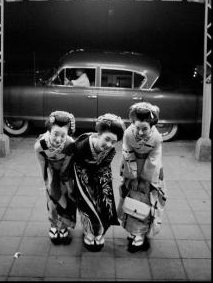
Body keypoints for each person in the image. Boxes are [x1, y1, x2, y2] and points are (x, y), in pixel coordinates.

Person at [64, 113, 126, 252]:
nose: (109, 145)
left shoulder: (109, 151)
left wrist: (102, 184)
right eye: (107, 139)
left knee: (105, 203)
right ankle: (89, 232)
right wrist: (69, 184)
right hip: (81, 174)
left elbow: (105, 167)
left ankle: (100, 231)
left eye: (113, 142)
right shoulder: (81, 146)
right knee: (86, 205)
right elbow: (69, 162)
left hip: (100, 174)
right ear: (99, 134)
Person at [117, 102, 167, 252]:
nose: (139, 132)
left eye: (144, 128)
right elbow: (126, 152)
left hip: (149, 171)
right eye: (137, 127)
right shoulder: (128, 134)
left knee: (145, 200)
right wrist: (132, 176)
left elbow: (154, 160)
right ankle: (133, 231)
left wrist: (145, 180)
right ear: (132, 123)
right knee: (130, 197)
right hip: (130, 167)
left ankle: (141, 234)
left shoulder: (157, 138)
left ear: (151, 124)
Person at [34, 110, 76, 244]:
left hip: (65, 173)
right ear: (49, 130)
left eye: (62, 135)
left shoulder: (70, 144)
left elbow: (68, 163)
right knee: (51, 199)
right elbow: (42, 163)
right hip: (51, 171)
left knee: (66, 198)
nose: (58, 139)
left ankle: (63, 226)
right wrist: (46, 180)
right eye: (55, 134)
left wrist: (64, 178)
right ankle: (53, 225)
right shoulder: (41, 145)